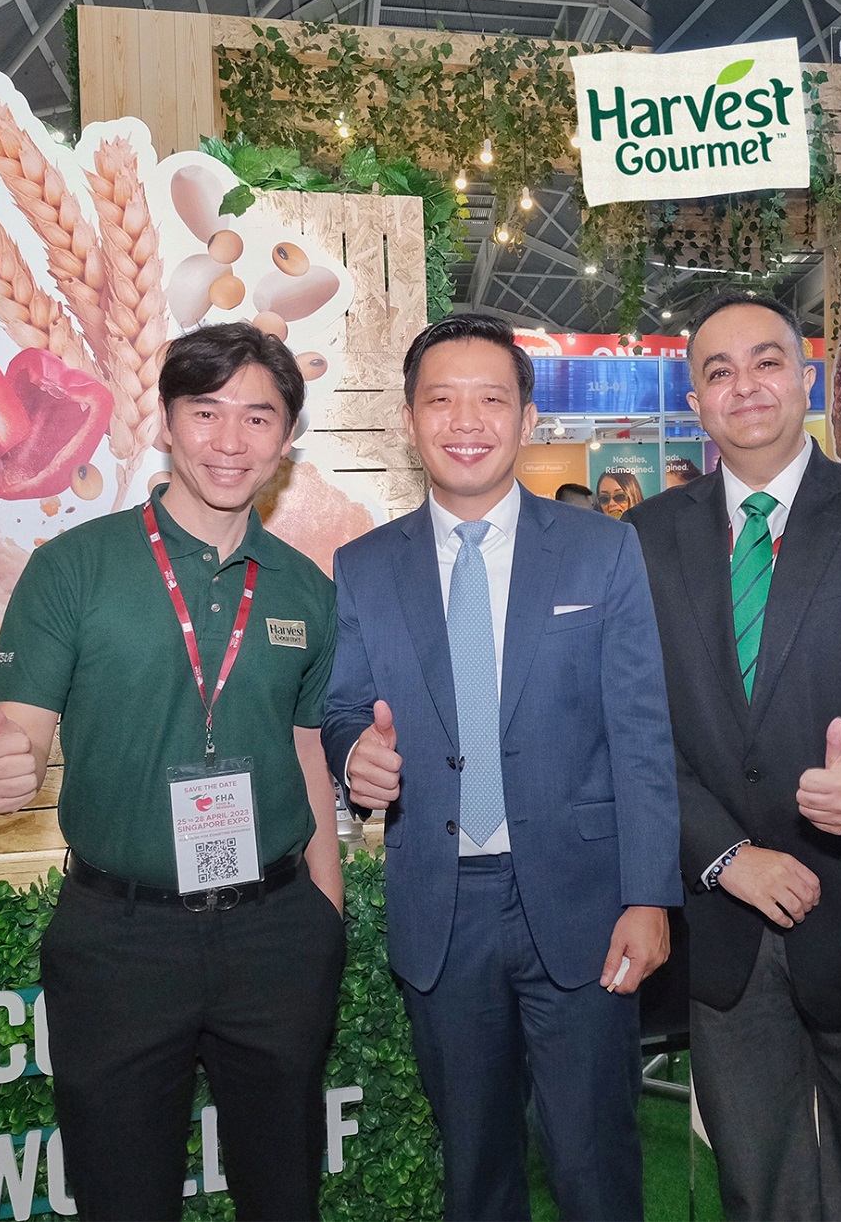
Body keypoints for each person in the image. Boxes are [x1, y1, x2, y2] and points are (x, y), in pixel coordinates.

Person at [0, 323, 346, 1222]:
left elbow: (306, 752)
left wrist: (323, 917)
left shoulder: (304, 589)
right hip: (121, 938)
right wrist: (1, 763)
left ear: (286, 438)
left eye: (259, 417)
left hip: (275, 932)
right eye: (205, 411)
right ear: (167, 422)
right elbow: (15, 729)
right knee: (123, 1194)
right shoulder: (75, 567)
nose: (230, 439)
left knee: (283, 1192)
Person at [322, 313, 681, 1222]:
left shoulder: (603, 550)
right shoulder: (364, 567)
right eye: (441, 399)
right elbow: (339, 709)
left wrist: (650, 896)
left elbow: (640, 730)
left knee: (595, 1163)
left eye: (491, 399)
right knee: (475, 1170)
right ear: (411, 419)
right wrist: (352, 754)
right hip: (443, 905)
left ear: (526, 419)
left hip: (585, 901)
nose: (466, 419)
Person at [625, 290, 841, 1222]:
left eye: (766, 361)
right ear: (694, 399)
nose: (745, 386)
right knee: (760, 1190)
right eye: (718, 371)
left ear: (804, 377)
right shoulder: (647, 539)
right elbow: (637, 730)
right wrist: (727, 856)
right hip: (728, 936)